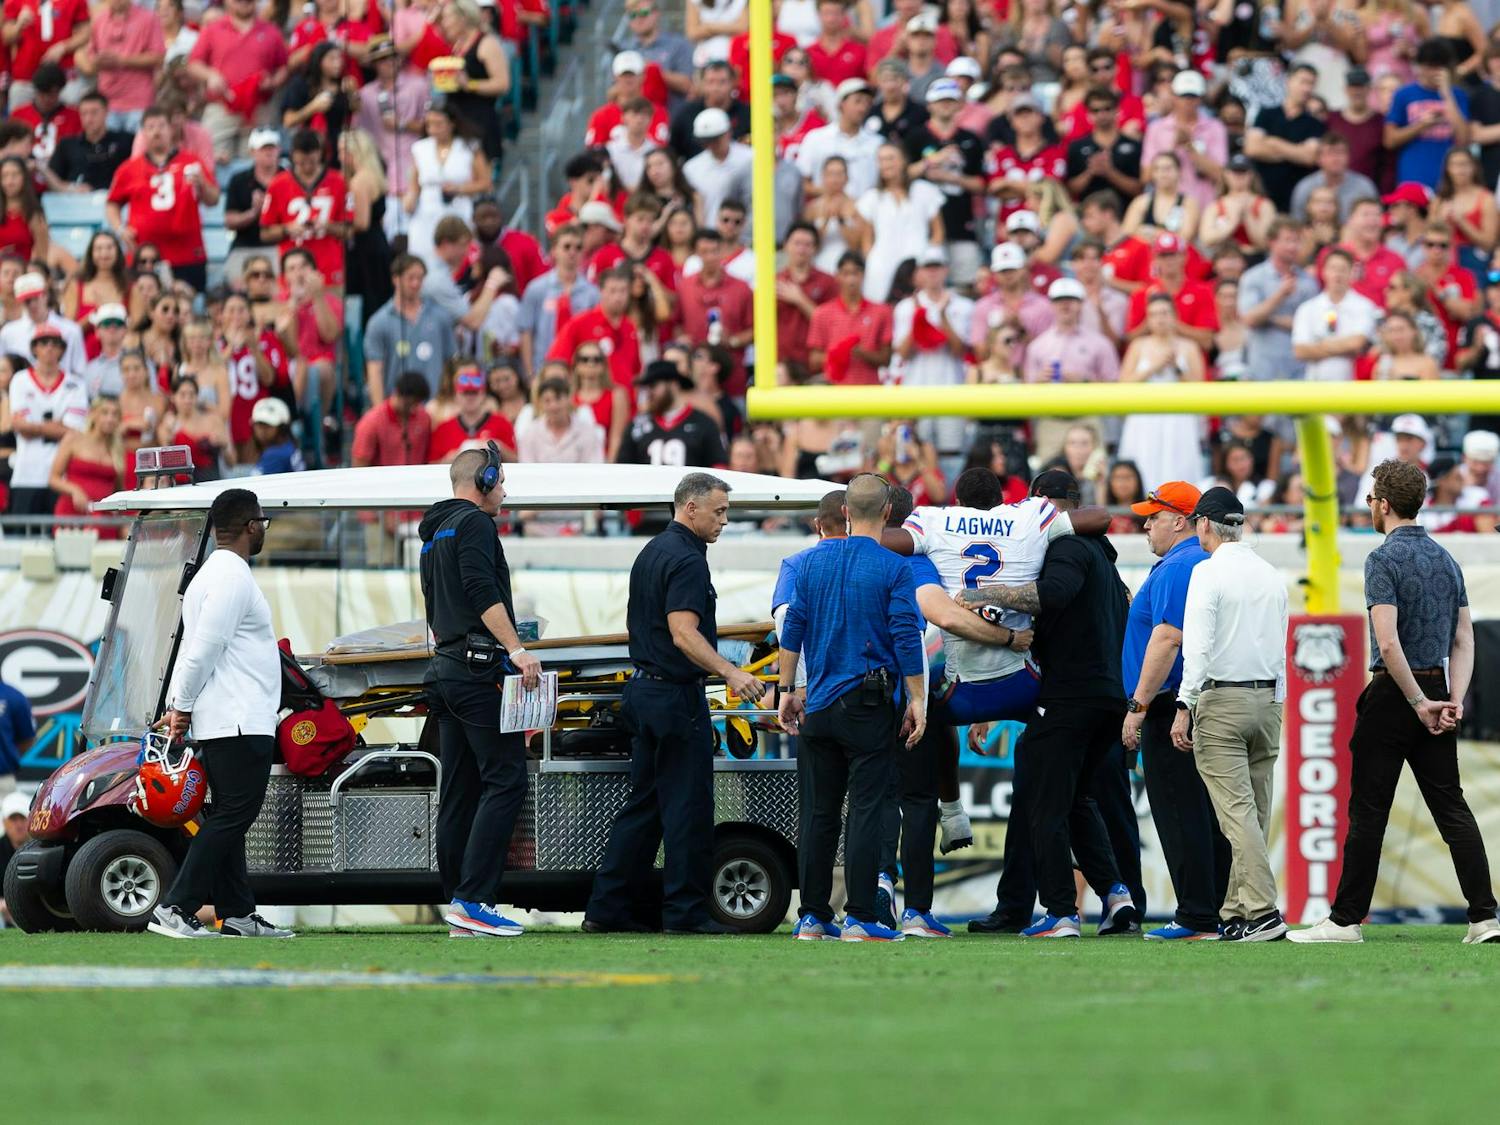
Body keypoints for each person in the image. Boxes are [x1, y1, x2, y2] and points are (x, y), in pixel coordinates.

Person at [1291, 459, 1500, 946]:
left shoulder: (1382, 559)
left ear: (1383, 504)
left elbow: (1387, 644)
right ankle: (1485, 918)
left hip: (1394, 693)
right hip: (1437, 689)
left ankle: (1345, 921)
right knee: (1453, 809)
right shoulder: (1447, 559)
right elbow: (1464, 638)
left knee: (1368, 812)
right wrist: (1451, 700)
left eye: (1370, 499)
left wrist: (1416, 701)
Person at [959, 469, 1140, 939]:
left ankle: (1061, 911)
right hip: (1107, 698)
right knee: (1076, 800)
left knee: (1044, 805)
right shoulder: (1104, 557)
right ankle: (1117, 897)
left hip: (1070, 698)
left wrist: (983, 593)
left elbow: (1051, 595)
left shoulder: (1066, 548)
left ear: (1040, 504)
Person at [586, 473, 766, 934]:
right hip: (673, 695)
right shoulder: (686, 560)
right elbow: (684, 633)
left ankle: (607, 910)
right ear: (691, 509)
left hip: (643, 692)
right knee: (687, 809)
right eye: (719, 511)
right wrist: (730, 671)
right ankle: (685, 913)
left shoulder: (651, 551)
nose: (724, 520)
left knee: (643, 809)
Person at [780, 472, 926, 943]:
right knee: (865, 809)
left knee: (818, 814)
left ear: (844, 512)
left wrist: (786, 689)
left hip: (817, 704)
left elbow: (793, 628)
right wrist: (918, 698)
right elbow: (906, 634)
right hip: (867, 703)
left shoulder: (807, 565)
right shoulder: (894, 568)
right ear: (887, 512)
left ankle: (812, 917)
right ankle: (860, 916)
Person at [149, 489, 291, 940]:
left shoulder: (210, 575)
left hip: (226, 715)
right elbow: (204, 649)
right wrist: (180, 707)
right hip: (238, 716)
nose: (263, 530)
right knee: (235, 816)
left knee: (229, 816)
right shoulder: (232, 576)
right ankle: (175, 907)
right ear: (251, 526)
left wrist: (180, 703)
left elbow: (192, 650)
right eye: (262, 523)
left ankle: (237, 914)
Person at [416, 444, 540, 938]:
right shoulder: (474, 524)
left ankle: (459, 901)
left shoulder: (433, 533)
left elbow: (436, 603)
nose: (505, 491)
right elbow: (480, 590)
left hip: (445, 669)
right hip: (475, 671)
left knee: (461, 788)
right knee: (506, 780)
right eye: (502, 481)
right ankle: (474, 899)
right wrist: (516, 648)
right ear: (483, 480)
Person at [1169, 486, 1290, 943]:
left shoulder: (1208, 572)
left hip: (1222, 700)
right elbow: (1279, 647)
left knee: (1237, 815)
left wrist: (1185, 703)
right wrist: (1277, 700)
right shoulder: (1270, 573)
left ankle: (1261, 912)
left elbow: (1196, 647)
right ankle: (1237, 911)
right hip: (1267, 700)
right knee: (1254, 813)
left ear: (1203, 524)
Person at [1120, 480, 1231, 940]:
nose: (1147, 525)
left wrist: (1138, 706)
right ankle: (1216, 909)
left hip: (1169, 704)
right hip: (1199, 700)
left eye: (1154, 516)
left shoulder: (1178, 566)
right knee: (1204, 812)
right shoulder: (1198, 563)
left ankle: (1196, 915)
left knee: (1180, 810)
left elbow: (1167, 638)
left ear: (1181, 520)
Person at [105, 105, 219, 293]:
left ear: (170, 129)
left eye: (161, 125)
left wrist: (203, 184)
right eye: (150, 127)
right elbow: (112, 203)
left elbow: (213, 199)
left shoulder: (192, 161)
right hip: (144, 256)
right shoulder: (129, 168)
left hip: (187, 253)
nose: (156, 131)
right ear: (143, 133)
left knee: (189, 305)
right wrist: (120, 228)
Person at [5, 324, 88, 515]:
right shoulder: (20, 379)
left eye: (55, 343)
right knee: (21, 541)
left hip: (61, 478)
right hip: (26, 474)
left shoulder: (75, 384)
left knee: (58, 541)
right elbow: (19, 426)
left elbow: (74, 432)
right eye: (43, 342)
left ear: (62, 348)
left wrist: (33, 427)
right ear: (34, 348)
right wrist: (57, 426)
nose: (49, 347)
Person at [363, 254, 459, 403]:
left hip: (435, 405)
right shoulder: (379, 321)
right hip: (398, 405)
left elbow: (450, 363)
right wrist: (380, 411)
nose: (415, 283)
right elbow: (375, 370)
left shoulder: (440, 317)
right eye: (410, 278)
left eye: (420, 278)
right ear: (396, 279)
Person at [1239, 218, 1321, 382]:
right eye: (1287, 240)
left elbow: (1314, 327)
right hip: (1261, 371)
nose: (1293, 246)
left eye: (1297, 241)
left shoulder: (1308, 281)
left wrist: (1270, 319)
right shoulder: (1253, 277)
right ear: (1272, 242)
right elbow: (1249, 318)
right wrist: (1280, 295)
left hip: (1299, 372)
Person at [1385, 38, 1470, 190]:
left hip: (1448, 181)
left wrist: (1447, 95)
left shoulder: (1458, 95)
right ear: (1420, 66)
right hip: (1413, 177)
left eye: (1440, 66)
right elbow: (1390, 140)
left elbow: (1463, 138)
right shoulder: (1404, 94)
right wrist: (1422, 125)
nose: (1435, 72)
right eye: (1431, 66)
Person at [1292, 248, 1382, 380]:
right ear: (1323, 272)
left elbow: (1357, 343)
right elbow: (1300, 351)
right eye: (1333, 268)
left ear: (1352, 273)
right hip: (1315, 388)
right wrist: (1346, 347)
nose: (1337, 274)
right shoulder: (1307, 308)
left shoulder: (1365, 306)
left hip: (1353, 388)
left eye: (1343, 269)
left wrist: (1319, 346)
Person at [45, 91, 132, 193]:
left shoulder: (125, 141)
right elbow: (52, 179)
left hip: (114, 200)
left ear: (106, 112)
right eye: (84, 113)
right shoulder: (67, 144)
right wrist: (71, 188)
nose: (89, 119)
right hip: (74, 201)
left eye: (94, 112)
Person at [250, 396, 305, 475]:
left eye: (268, 425)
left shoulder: (275, 455)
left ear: (282, 428)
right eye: (259, 425)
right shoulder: (288, 445)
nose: (262, 431)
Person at [0, 677, 35, 794]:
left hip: (3, 781)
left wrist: (8, 756)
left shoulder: (13, 697)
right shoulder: (14, 696)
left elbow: (27, 739)